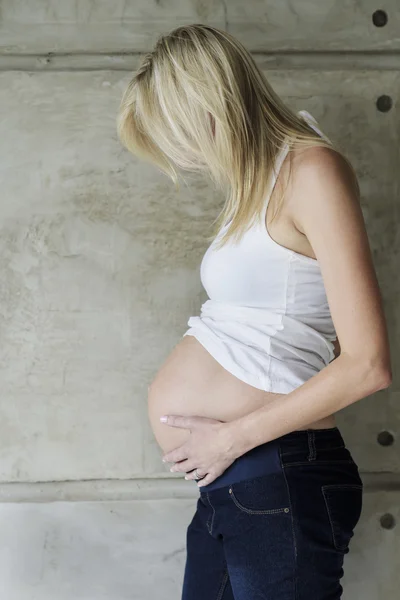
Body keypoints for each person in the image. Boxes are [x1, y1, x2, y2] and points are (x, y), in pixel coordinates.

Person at [117, 23, 392, 600]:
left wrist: (231, 437)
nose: (183, 160)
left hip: (278, 474)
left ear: (209, 104)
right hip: (241, 480)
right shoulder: (257, 186)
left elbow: (367, 364)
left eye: (179, 138)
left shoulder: (311, 172)